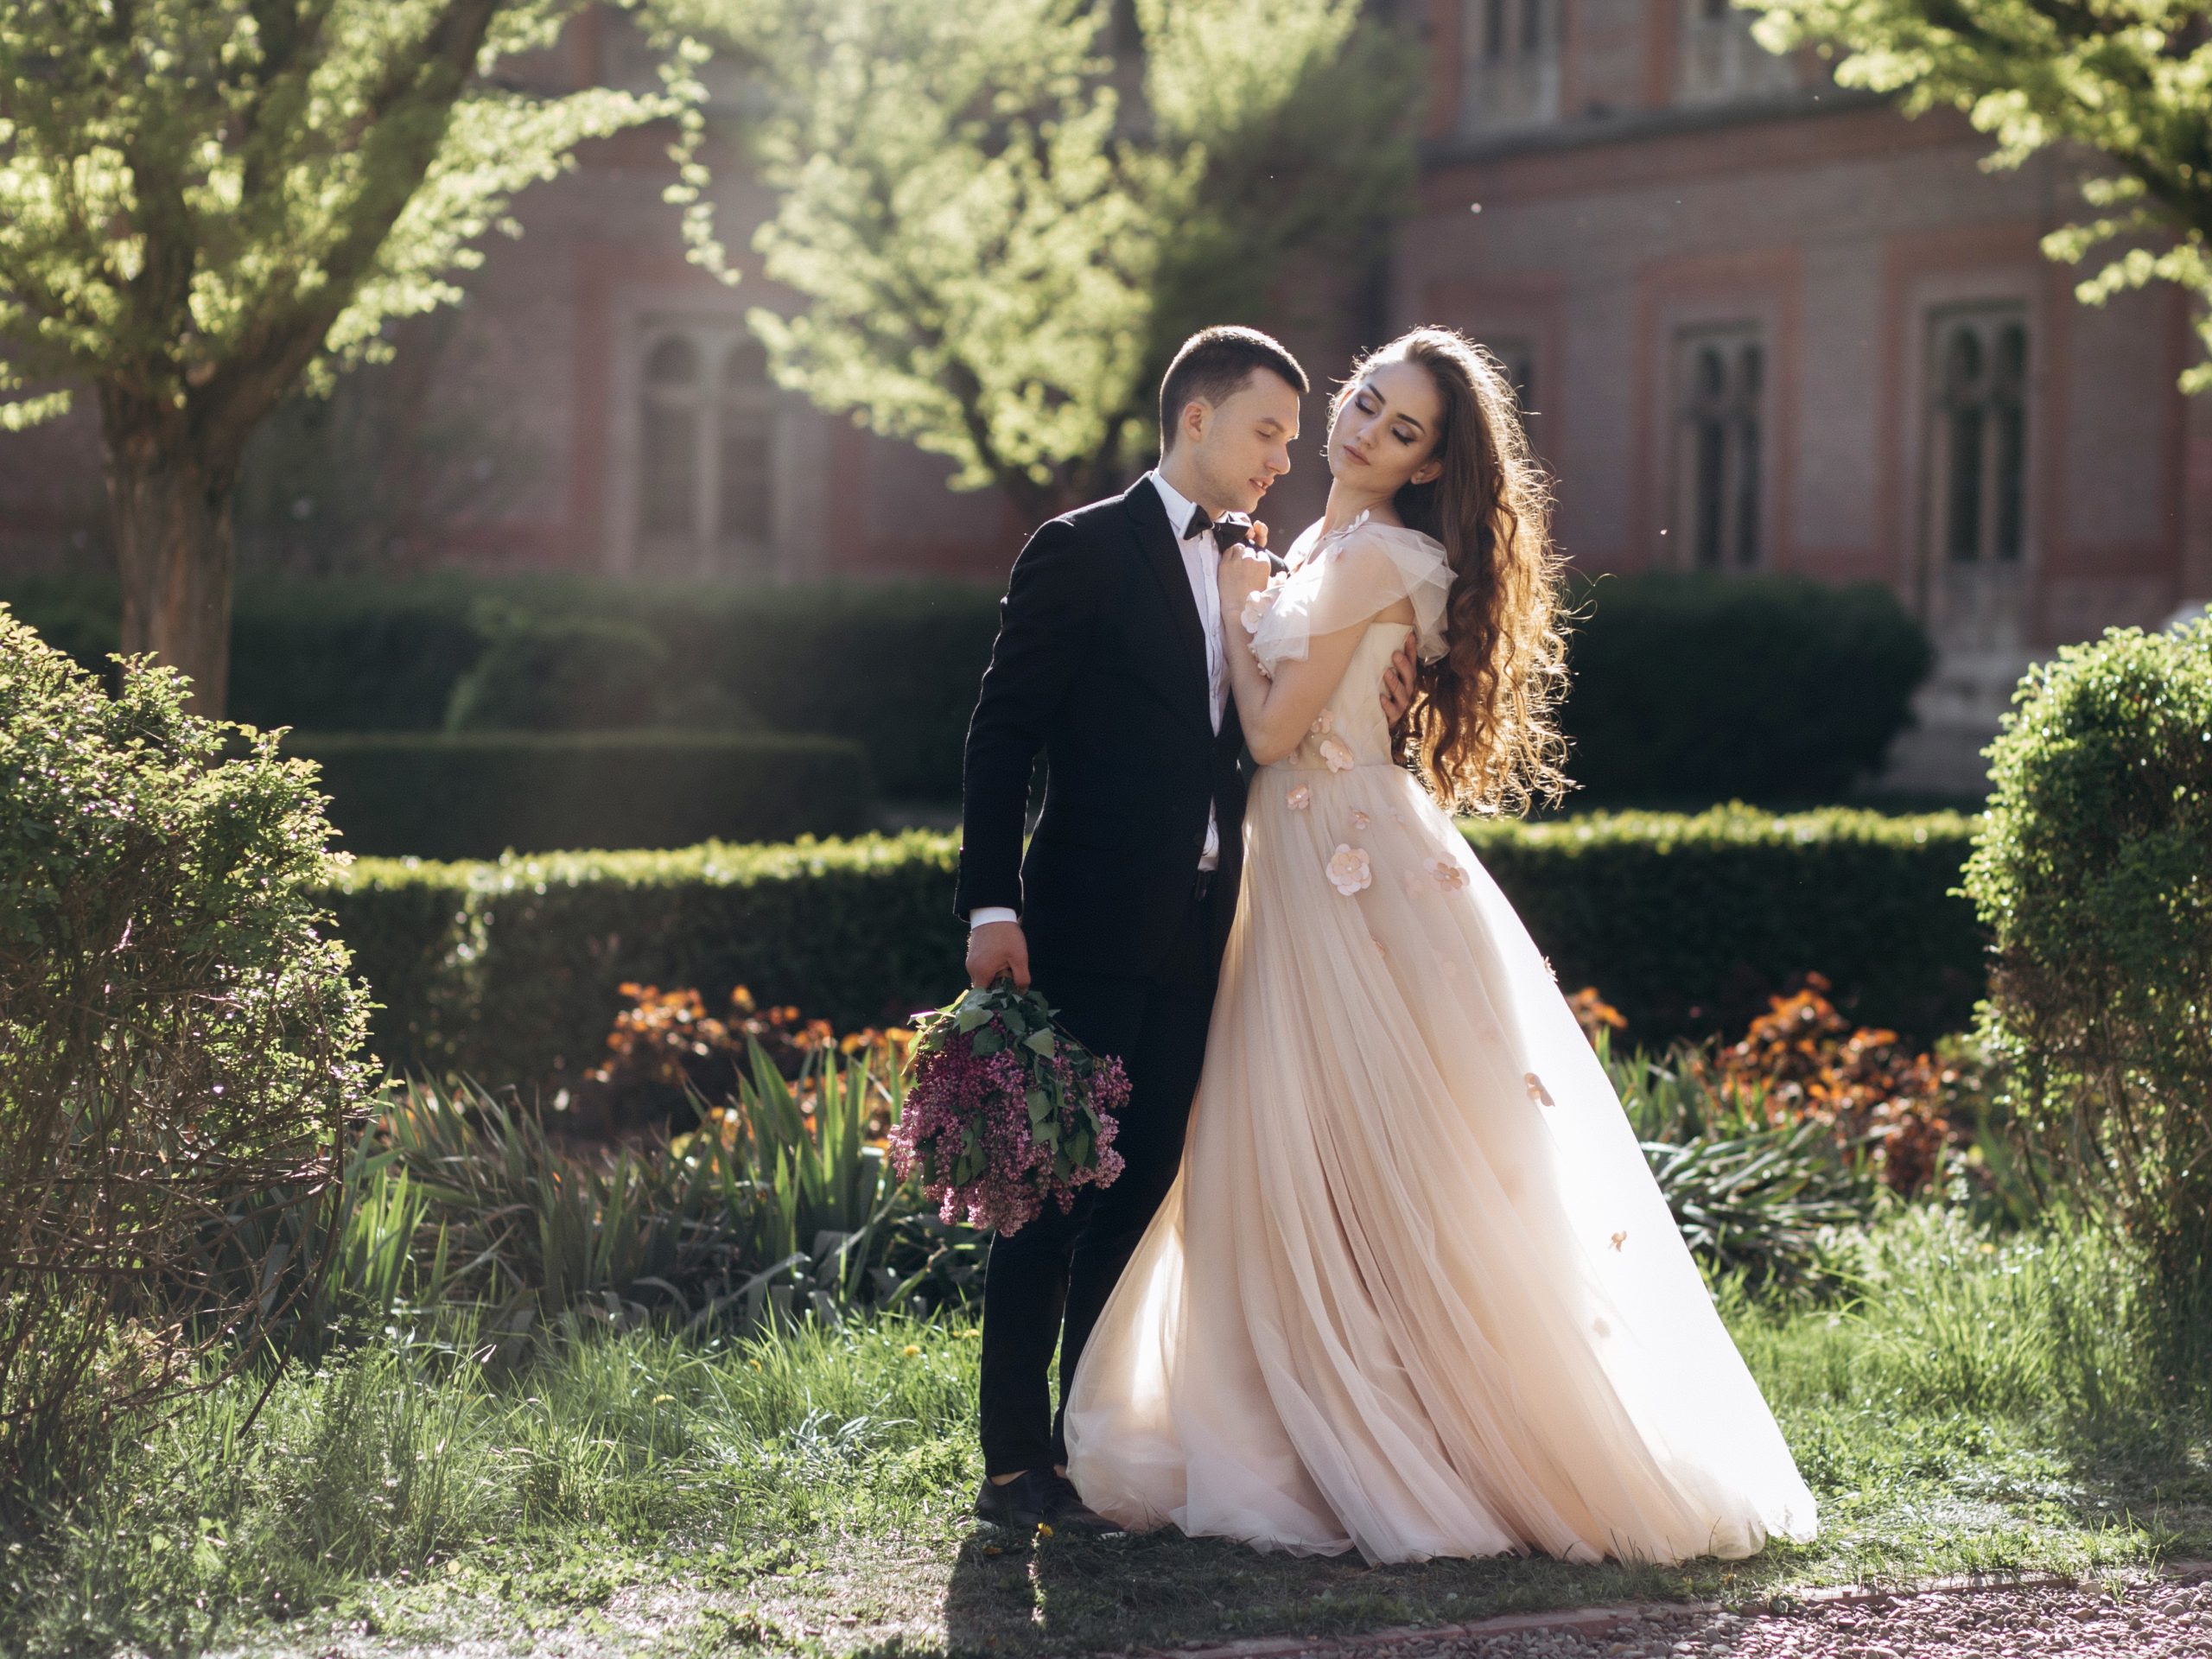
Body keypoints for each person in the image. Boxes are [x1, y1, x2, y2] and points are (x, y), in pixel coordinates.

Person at [1060, 327, 1819, 1566]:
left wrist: (1247, 601)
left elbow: (1266, 733)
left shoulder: (1374, 556)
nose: (1361, 429)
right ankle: (1322, 1413)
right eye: (1361, 402)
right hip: (1311, 857)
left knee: (1376, 1148)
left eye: (1398, 428)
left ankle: (1415, 1433)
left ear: (1423, 466)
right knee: (1317, 1147)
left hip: (1339, 859)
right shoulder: (1321, 546)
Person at [954, 325, 1421, 1533]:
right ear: (1198, 420)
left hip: (1211, 929)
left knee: (1143, 1182)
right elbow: (1002, 735)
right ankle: (1014, 1465)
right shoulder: (1081, 550)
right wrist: (989, 905)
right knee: (1050, 1192)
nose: (1286, 456)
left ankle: (1089, 1447)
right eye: (1268, 431)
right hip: (1086, 924)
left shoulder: (1263, 560)